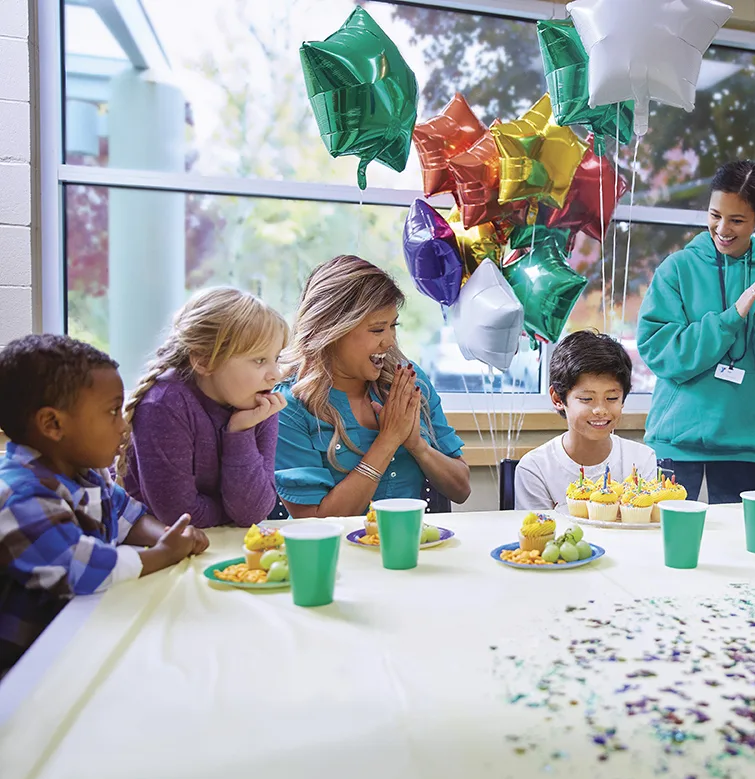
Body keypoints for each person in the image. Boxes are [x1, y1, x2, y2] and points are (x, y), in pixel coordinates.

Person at [0, 335, 208, 675]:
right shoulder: (21, 496)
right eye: (112, 412)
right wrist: (163, 554)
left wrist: (171, 536)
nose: (123, 427)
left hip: (86, 632)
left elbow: (130, 517)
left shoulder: (86, 474)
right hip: (29, 665)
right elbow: (82, 570)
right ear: (52, 424)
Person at [636, 160, 755, 503]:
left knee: (737, 552)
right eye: (715, 215)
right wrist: (731, 318)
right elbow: (663, 355)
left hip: (742, 449)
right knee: (665, 550)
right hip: (674, 445)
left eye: (737, 220)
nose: (722, 229)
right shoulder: (677, 268)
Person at [274, 256, 470, 517]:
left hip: (408, 549)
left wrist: (417, 446)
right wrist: (388, 440)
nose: (389, 342)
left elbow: (461, 490)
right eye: (377, 330)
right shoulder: (289, 406)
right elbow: (312, 524)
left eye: (393, 326)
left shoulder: (409, 381)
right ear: (332, 330)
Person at [119, 288, 289, 528]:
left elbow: (254, 513)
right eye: (260, 360)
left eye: (277, 359)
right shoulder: (164, 405)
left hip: (219, 546)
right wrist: (229, 512)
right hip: (159, 552)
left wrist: (240, 432)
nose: (275, 375)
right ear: (204, 361)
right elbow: (180, 518)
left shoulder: (258, 403)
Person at [515, 331, 658, 510]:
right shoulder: (535, 468)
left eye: (612, 398)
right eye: (586, 399)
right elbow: (539, 533)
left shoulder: (641, 460)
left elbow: (647, 530)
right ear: (558, 399)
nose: (600, 410)